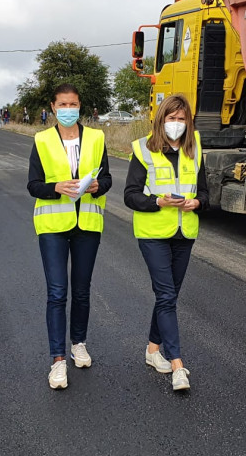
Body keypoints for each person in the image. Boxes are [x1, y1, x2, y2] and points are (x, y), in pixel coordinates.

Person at [27, 83, 113, 389]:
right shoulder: (41, 140)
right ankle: (58, 360)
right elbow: (34, 185)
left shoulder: (97, 137)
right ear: (52, 107)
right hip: (52, 226)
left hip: (87, 223)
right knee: (57, 292)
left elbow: (107, 178)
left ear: (81, 107)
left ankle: (78, 343)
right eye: (62, 105)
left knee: (81, 290)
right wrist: (56, 188)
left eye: (72, 104)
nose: (67, 109)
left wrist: (96, 186)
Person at [123, 94, 207, 392]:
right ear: (161, 120)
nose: (176, 124)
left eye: (181, 119)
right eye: (171, 118)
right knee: (167, 295)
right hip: (153, 233)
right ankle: (177, 364)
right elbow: (130, 195)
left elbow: (206, 196)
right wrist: (158, 201)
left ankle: (152, 349)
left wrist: (196, 202)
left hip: (184, 234)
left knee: (167, 297)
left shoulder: (194, 150)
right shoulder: (143, 150)